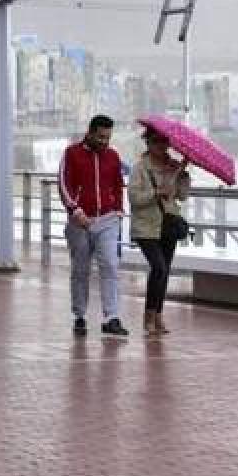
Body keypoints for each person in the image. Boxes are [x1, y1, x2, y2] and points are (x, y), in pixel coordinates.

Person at [58, 115, 129, 338]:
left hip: (107, 219)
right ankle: (79, 315)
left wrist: (118, 208)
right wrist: (74, 209)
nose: (104, 141)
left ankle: (112, 317)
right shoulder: (71, 153)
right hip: (80, 221)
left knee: (110, 265)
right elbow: (63, 182)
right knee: (81, 270)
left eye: (108, 137)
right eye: (100, 137)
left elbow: (118, 185)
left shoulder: (113, 156)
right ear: (89, 132)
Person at [128, 128, 191, 337]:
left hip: (168, 225)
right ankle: (148, 316)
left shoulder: (173, 166)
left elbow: (182, 197)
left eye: (165, 142)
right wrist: (156, 193)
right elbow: (134, 199)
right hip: (146, 227)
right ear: (148, 143)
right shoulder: (139, 168)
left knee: (165, 271)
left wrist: (182, 177)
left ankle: (158, 316)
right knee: (159, 267)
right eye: (156, 142)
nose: (162, 146)